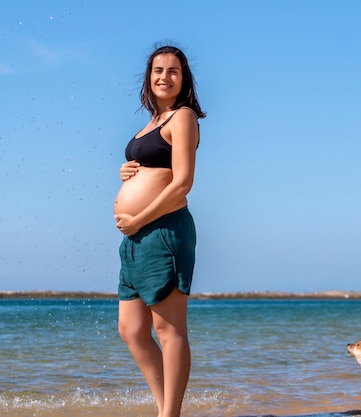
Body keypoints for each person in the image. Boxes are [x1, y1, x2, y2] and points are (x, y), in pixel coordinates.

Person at [113, 45, 205, 417]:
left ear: (183, 80)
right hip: (135, 238)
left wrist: (138, 218)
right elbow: (151, 167)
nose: (164, 77)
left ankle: (170, 414)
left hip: (163, 230)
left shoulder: (182, 117)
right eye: (157, 71)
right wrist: (126, 174)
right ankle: (164, 407)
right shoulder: (152, 121)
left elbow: (182, 183)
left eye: (173, 71)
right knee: (131, 330)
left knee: (169, 331)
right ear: (148, 78)